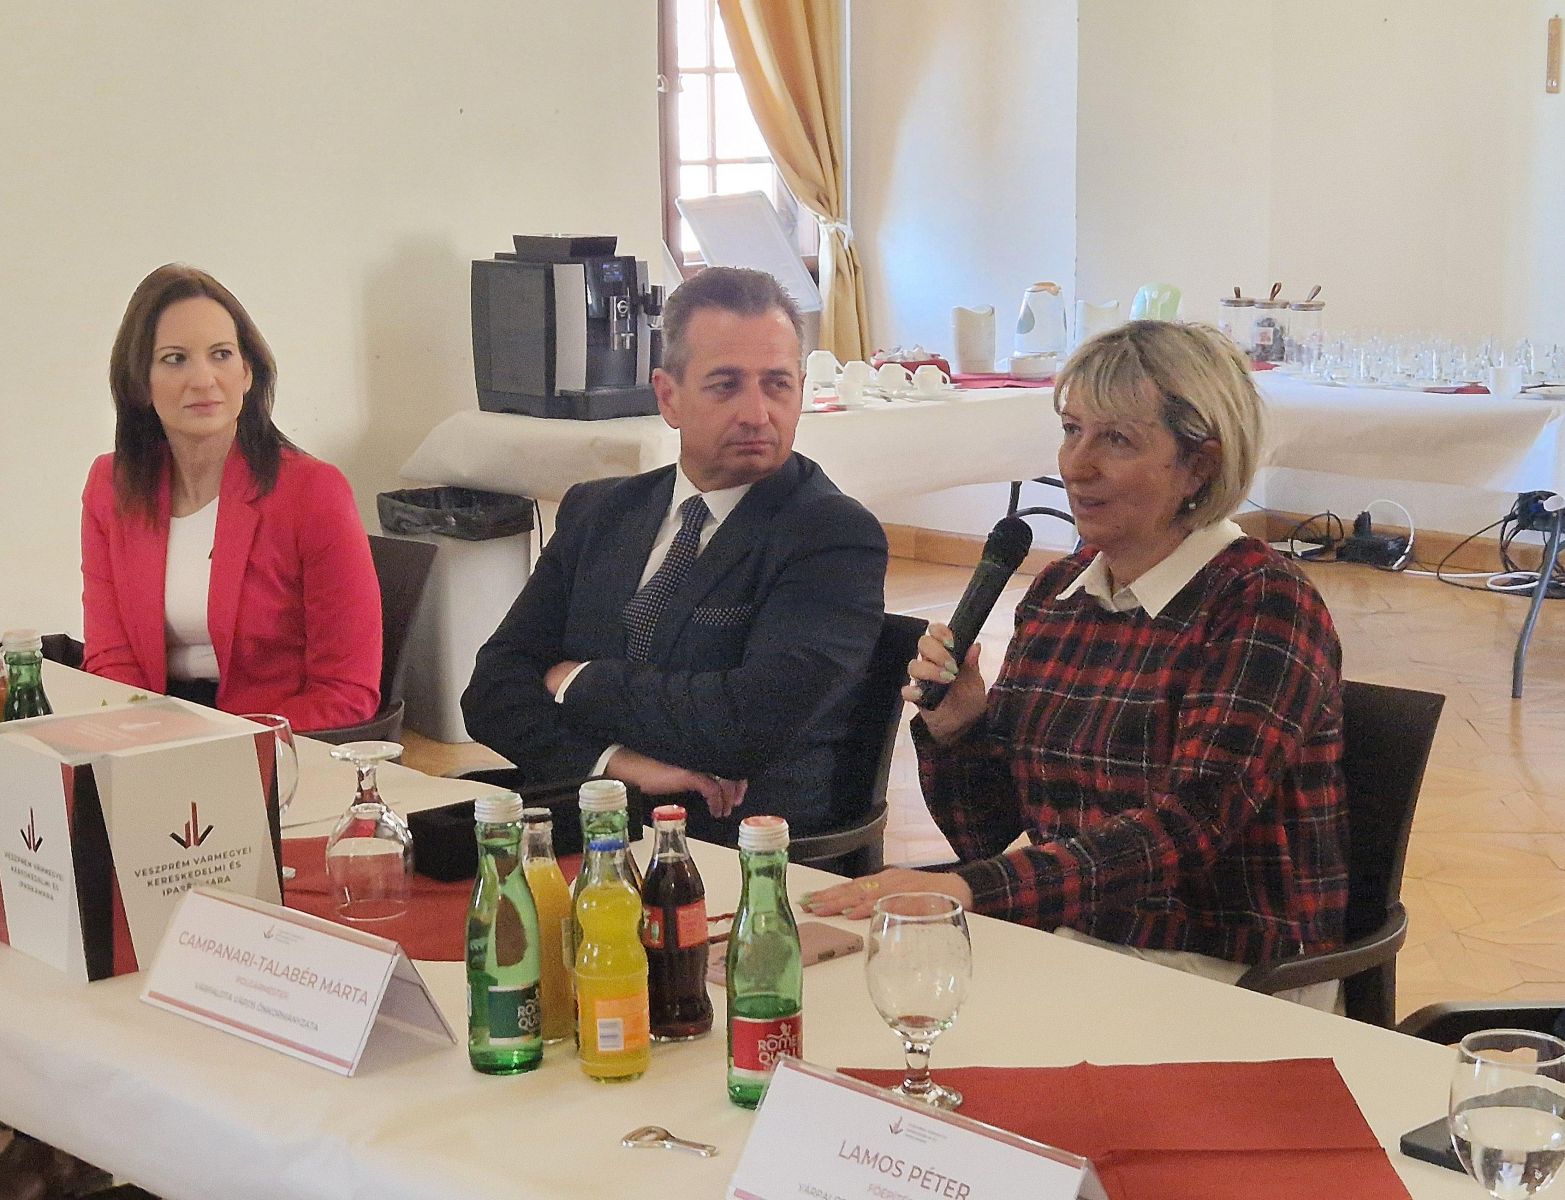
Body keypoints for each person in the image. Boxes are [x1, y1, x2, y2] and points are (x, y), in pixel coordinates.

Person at [804, 320, 1349, 1010]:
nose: (1075, 465)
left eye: (1115, 439)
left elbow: (1188, 829)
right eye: (1071, 430)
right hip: (1076, 936)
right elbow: (987, 834)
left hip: (1226, 967)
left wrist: (973, 889)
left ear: (1200, 464)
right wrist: (962, 729)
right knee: (842, 995)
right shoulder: (1059, 592)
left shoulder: (1261, 602)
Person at [462, 266, 887, 844]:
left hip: (733, 843)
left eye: (777, 384)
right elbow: (491, 691)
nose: (757, 413)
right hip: (584, 817)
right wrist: (612, 764)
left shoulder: (832, 536)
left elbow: (745, 727)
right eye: (726, 385)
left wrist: (577, 680)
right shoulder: (600, 511)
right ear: (668, 397)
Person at [81, 264, 381, 733]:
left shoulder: (314, 492)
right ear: (140, 383)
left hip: (278, 739)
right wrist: (146, 740)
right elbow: (110, 659)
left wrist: (222, 744)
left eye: (221, 354)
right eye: (175, 359)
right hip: (150, 737)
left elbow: (347, 692)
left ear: (247, 373)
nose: (203, 379)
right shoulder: (111, 486)